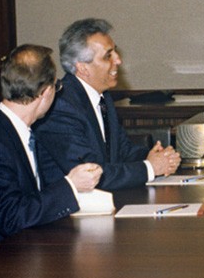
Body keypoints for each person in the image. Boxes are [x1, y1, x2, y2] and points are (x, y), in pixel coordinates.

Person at [0, 45, 102, 264]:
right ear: (46, 92)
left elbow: (32, 200)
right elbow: (11, 218)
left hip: (21, 253)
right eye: (56, 86)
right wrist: (71, 185)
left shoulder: (20, 131)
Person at [35, 18, 181, 191]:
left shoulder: (103, 97)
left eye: (115, 52)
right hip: (72, 206)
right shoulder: (60, 107)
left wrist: (157, 157)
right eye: (108, 56)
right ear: (83, 68)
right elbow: (92, 174)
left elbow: (123, 152)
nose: (118, 60)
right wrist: (150, 168)